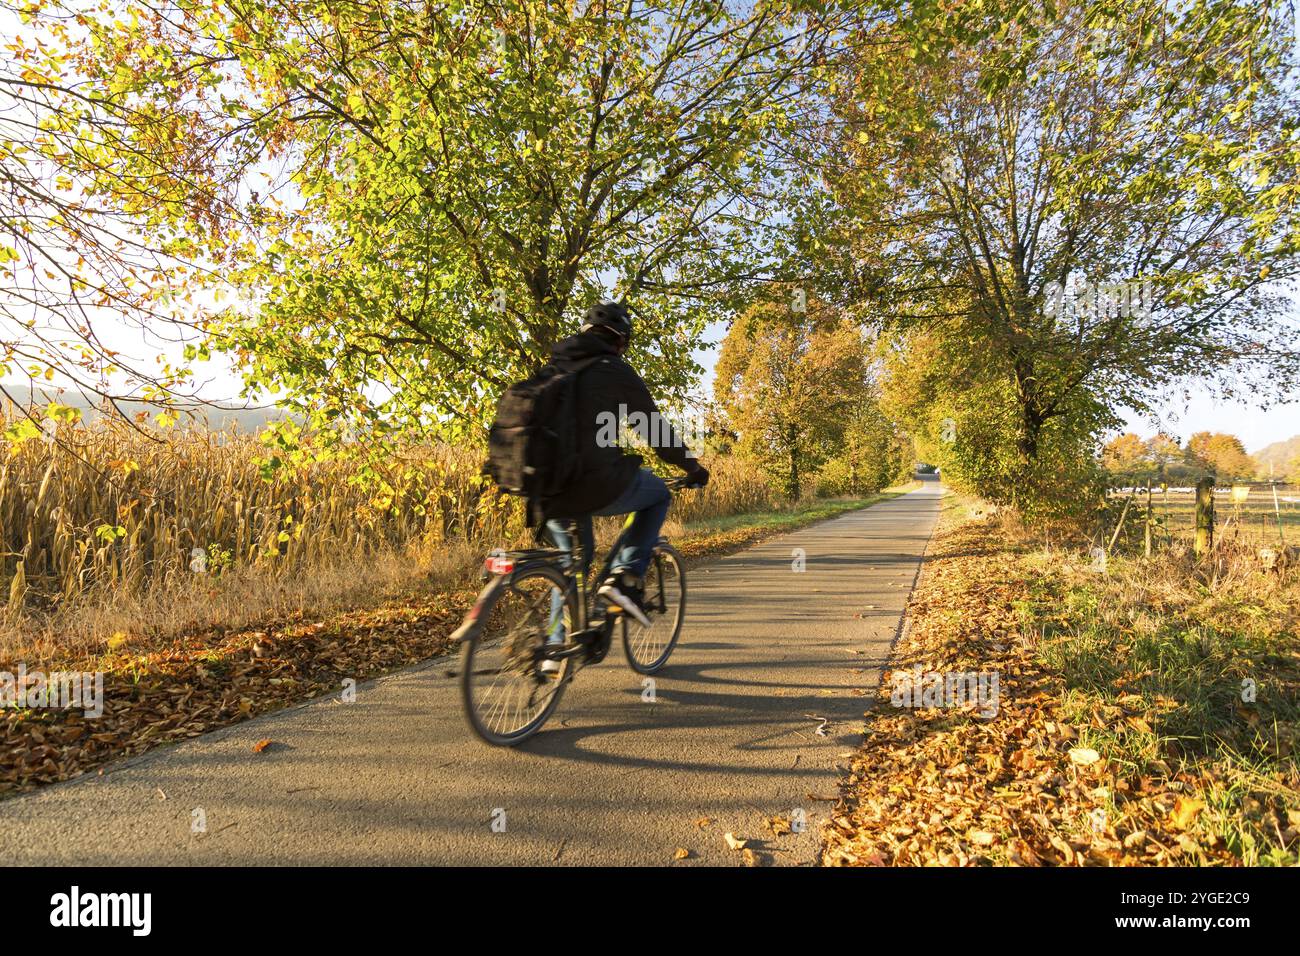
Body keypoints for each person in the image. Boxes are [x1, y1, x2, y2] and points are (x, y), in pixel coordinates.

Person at [542, 300, 709, 631]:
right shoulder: (612, 369)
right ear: (619, 340)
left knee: (573, 562)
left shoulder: (553, 370)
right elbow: (653, 429)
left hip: (544, 486)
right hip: (591, 483)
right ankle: (622, 577)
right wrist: (692, 467)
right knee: (658, 494)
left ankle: (553, 647)